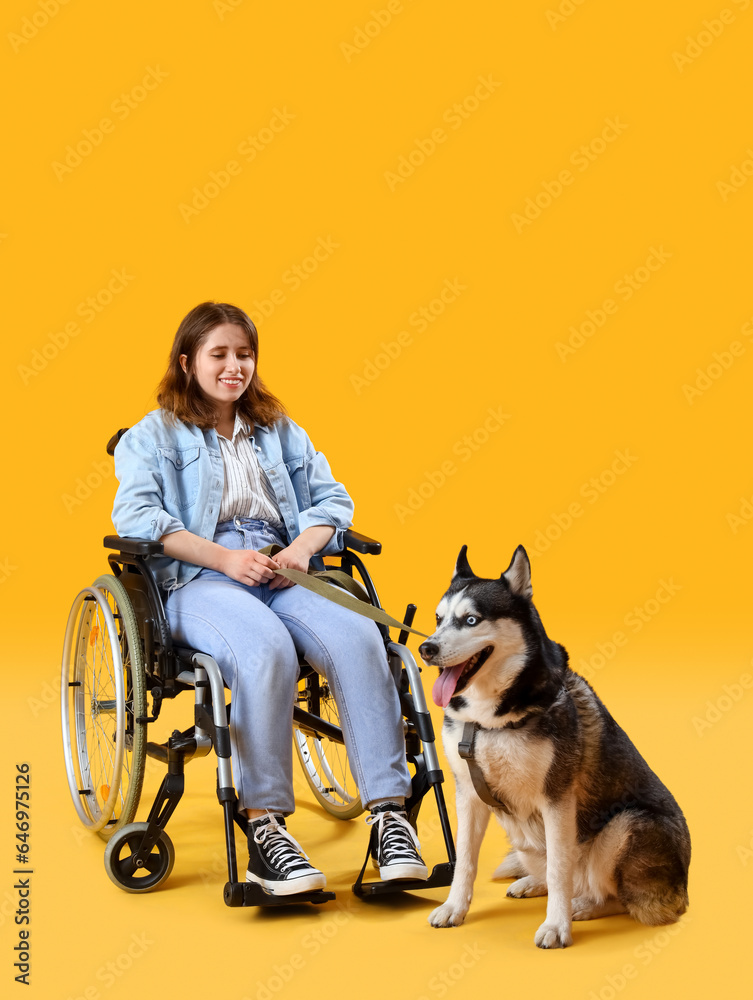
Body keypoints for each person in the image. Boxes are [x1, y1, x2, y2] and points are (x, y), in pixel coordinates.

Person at [111, 300, 428, 895]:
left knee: (360, 637)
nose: (235, 366)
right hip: (198, 576)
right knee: (265, 649)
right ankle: (265, 829)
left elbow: (332, 504)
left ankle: (389, 816)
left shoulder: (280, 431)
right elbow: (138, 516)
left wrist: (301, 552)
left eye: (245, 354)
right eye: (220, 354)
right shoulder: (153, 434)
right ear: (187, 362)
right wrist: (226, 557)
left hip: (283, 566)